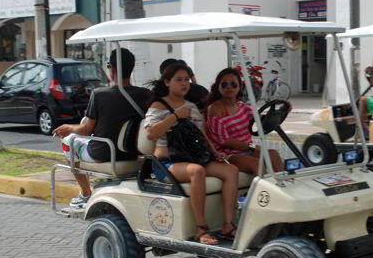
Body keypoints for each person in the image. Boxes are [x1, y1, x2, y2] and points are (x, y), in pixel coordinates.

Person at [143, 64, 240, 245]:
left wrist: (214, 152)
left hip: (193, 157)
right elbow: (151, 133)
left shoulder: (191, 107)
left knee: (231, 170)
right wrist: (175, 116)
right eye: (179, 80)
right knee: (197, 171)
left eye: (187, 79)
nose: (184, 83)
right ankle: (200, 228)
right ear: (167, 82)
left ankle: (228, 224)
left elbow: (201, 134)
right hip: (167, 163)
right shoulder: (159, 105)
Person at [53, 48, 152, 208]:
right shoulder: (146, 94)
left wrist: (69, 128)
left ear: (112, 69)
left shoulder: (99, 94)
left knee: (69, 141)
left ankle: (85, 193)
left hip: (103, 153)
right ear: (131, 68)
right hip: (133, 153)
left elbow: (86, 130)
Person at [206, 67, 283, 174]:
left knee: (273, 154)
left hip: (247, 150)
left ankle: (280, 185)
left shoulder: (244, 107)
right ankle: (267, 188)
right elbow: (224, 141)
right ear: (218, 87)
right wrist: (252, 147)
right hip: (227, 154)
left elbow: (262, 120)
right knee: (257, 164)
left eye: (233, 84)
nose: (229, 88)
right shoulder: (215, 109)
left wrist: (283, 111)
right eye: (224, 84)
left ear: (239, 87)